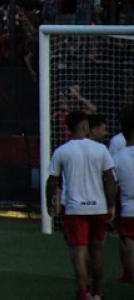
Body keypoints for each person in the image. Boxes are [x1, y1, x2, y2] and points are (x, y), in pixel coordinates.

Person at [46, 110, 117, 300]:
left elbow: (52, 180)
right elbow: (109, 178)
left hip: (75, 208)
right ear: (85, 127)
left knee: (79, 251)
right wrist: (111, 205)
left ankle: (83, 294)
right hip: (98, 207)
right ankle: (97, 292)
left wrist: (49, 202)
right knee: (97, 250)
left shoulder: (62, 151)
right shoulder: (100, 149)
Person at [112, 105, 134, 285]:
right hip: (126, 204)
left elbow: (111, 179)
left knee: (128, 240)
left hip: (127, 205)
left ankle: (129, 275)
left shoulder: (118, 155)